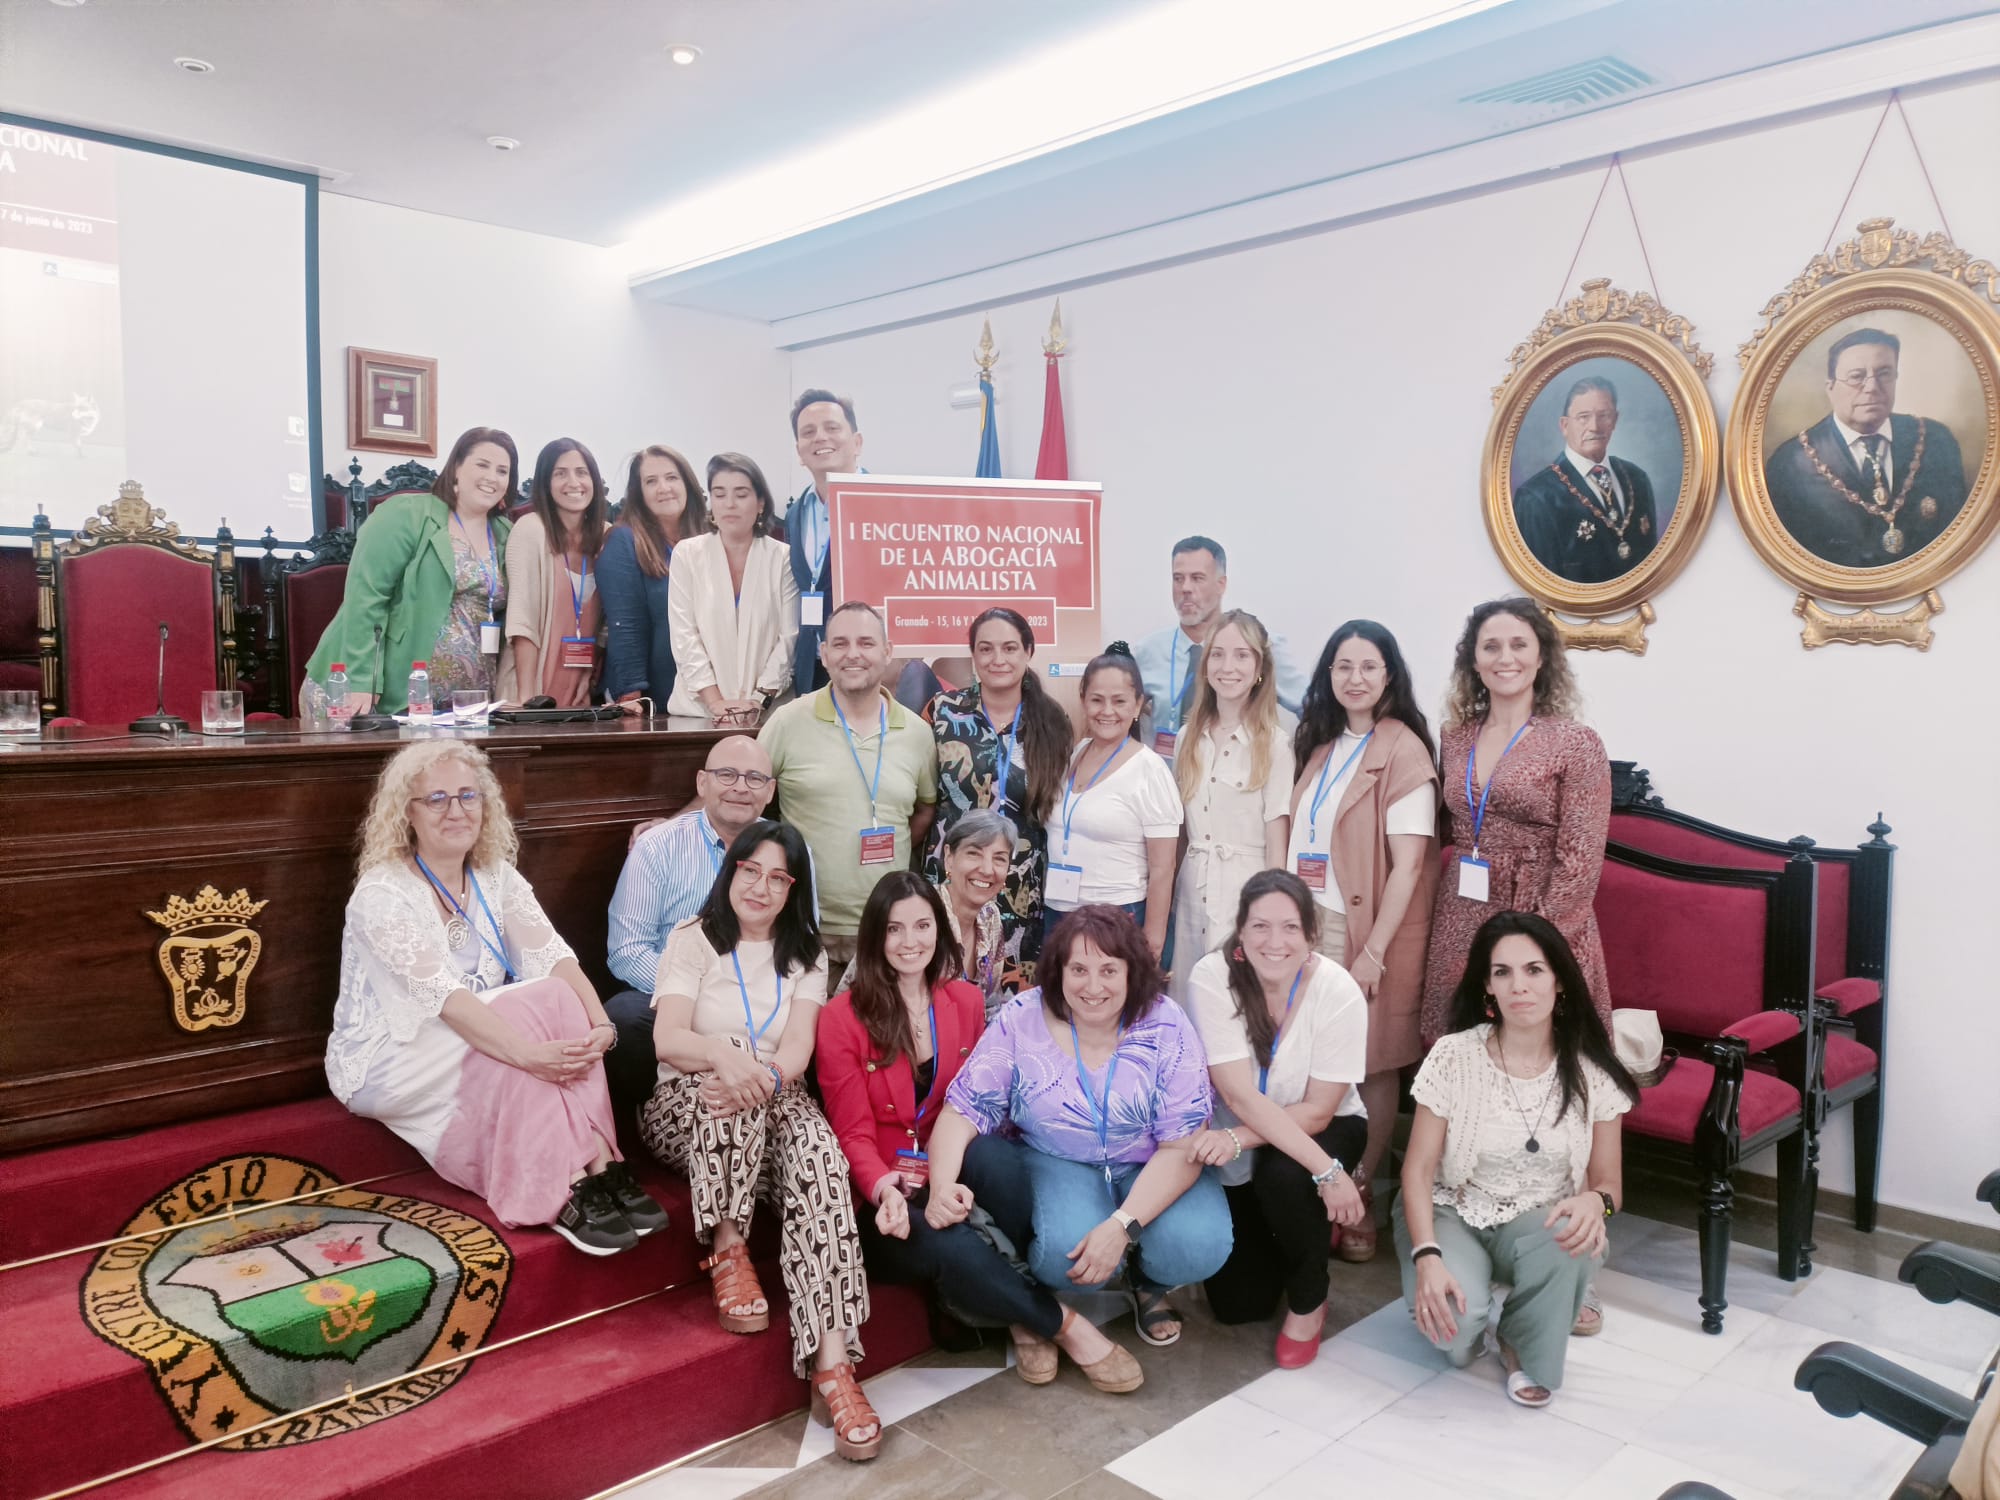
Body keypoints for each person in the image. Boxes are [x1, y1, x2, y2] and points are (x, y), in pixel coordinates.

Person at [326, 740, 667, 1254]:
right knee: (524, 1014)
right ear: (406, 813)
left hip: (477, 1031)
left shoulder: (494, 876)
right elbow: (446, 1000)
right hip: (392, 1054)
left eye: (468, 795)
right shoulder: (382, 894)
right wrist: (528, 1055)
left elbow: (553, 957)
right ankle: (561, 1188)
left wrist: (602, 1025)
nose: (456, 810)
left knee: (556, 995)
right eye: (436, 799)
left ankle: (601, 1164)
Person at [816, 873, 1139, 1388]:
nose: (910, 941)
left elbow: (977, 1104)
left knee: (999, 1161)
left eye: (922, 925)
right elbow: (851, 1133)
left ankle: (1011, 1305)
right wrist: (883, 1188)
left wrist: (947, 1182)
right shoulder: (842, 1018)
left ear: (939, 930)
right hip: (885, 1195)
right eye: (894, 928)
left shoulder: (963, 1001)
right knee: (955, 1243)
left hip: (945, 1159)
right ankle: (1059, 1325)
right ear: (875, 936)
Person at [639, 819, 881, 1462]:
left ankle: (833, 1365)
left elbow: (797, 1048)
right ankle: (728, 1246)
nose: (761, 887)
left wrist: (765, 1076)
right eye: (751, 871)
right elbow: (668, 1040)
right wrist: (729, 1057)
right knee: (732, 1070)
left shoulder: (806, 952)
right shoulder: (693, 939)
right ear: (732, 871)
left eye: (779, 878)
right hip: (687, 1103)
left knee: (822, 1163)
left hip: (777, 1095)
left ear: (793, 889)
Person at [923, 905, 1229, 1353]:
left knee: (1200, 1245)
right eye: (1079, 969)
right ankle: (1104, 1261)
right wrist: (940, 1187)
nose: (1093, 986)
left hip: (1155, 1160)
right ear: (1058, 970)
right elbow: (963, 1109)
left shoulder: (1166, 1023)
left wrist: (1121, 1226)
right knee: (1061, 1258)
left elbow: (1182, 1143)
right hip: (1058, 1158)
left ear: (1132, 971)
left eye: (1109, 970)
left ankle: (1148, 1283)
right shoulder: (1023, 1017)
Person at [1399, 911, 1637, 1407]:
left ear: (1560, 981)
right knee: (1454, 1338)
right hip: (1451, 1209)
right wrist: (1427, 1257)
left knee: (1576, 1235)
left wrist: (1596, 1202)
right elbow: (1417, 1171)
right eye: (1502, 972)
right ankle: (1495, 1296)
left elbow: (1609, 1185)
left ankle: (1519, 1339)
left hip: (1537, 1221)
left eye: (1534, 970)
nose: (1518, 986)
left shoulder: (1593, 1071)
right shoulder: (1453, 1055)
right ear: (1487, 985)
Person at [1285, 619, 1440, 1261]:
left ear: (1389, 675)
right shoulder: (1320, 743)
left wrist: (1373, 952)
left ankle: (1361, 1191)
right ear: (1328, 675)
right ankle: (1313, 1180)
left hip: (1366, 928)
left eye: (1368, 666)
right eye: (1343, 666)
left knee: (1372, 1059)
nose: (1355, 678)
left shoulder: (1404, 750)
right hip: (1306, 924)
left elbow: (1409, 866)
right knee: (1313, 1055)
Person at [1185, 872, 1368, 1365]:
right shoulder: (1212, 976)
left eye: (1290, 927)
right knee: (1238, 1305)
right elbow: (1238, 1094)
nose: (1275, 942)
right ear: (1241, 931)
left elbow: (1320, 1110)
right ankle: (1305, 1224)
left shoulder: (1338, 991)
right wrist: (1243, 1140)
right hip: (1240, 1130)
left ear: (1311, 934)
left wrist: (1327, 1172)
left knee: (1284, 1177)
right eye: (1260, 926)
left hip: (1323, 1127)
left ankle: (1310, 1298)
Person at [1421, 598, 1610, 1050]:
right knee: (1460, 1043)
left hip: (1540, 911)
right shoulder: (1455, 736)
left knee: (1537, 1046)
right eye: (1491, 646)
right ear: (1473, 661)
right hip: (1462, 909)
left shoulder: (1576, 743)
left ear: (1541, 657)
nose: (1505, 657)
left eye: (1519, 645)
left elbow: (1580, 863)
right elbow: (1445, 822)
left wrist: (1537, 942)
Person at [602, 733, 778, 1113]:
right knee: (623, 1016)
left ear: (770, 791)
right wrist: (696, 996)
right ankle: (656, 1114)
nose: (740, 788)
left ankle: (759, 1100)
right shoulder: (657, 846)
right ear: (702, 783)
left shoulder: (791, 852)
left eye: (754, 778)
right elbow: (627, 951)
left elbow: (801, 940)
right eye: (727, 774)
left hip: (760, 996)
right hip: (675, 998)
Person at [759, 601, 938, 968]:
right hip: (805, 929)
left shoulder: (918, 734)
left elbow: (924, 810)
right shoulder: (787, 722)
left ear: (887, 652)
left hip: (886, 932)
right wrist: (671, 823)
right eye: (840, 644)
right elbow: (745, 792)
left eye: (866, 643)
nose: (853, 654)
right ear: (824, 655)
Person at [308, 426, 519, 714]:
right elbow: (366, 598)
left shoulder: (507, 533)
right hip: (376, 694)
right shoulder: (405, 514)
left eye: (502, 471)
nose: (492, 477)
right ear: (456, 468)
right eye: (482, 465)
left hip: (464, 705)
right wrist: (360, 680)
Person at [921, 607, 1070, 990]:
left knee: (1011, 1003)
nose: (997, 659)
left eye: (1009, 648)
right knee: (945, 992)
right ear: (973, 654)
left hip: (1021, 891)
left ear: (1028, 652)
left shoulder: (1053, 723)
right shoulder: (942, 713)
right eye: (986, 649)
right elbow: (921, 797)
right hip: (952, 883)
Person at [1763, 326, 1971, 566]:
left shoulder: (1936, 440)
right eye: (1856, 376)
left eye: (1884, 373)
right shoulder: (1791, 463)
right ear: (1830, 387)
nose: (1872, 387)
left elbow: (1957, 537)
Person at [1169, 609, 1293, 992]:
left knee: (1236, 1001)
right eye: (1218, 655)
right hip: (1192, 893)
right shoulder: (1187, 738)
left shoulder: (1275, 744)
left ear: (1259, 669)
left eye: (1242, 655)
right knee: (1189, 997)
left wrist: (1270, 913)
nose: (1228, 667)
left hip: (1245, 893)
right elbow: (1180, 833)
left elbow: (1277, 842)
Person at [1043, 646, 1182, 959]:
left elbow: (1163, 868)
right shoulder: (1076, 753)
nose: (1107, 711)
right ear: (1083, 701)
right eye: (1097, 700)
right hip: (1060, 911)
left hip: (1117, 916)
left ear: (1138, 705)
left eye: (1119, 701)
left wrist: (1153, 941)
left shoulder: (1149, 769)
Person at [666, 452, 799, 721]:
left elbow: (790, 637)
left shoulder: (783, 557)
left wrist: (758, 700)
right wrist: (715, 702)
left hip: (769, 713)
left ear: (760, 503)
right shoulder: (687, 554)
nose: (729, 504)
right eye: (719, 494)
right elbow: (684, 636)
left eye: (741, 494)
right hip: (699, 712)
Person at [1132, 537, 1308, 737]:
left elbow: (1313, 707)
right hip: (1167, 756)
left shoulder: (1260, 644)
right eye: (1178, 578)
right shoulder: (1148, 651)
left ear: (1221, 584)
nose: (1185, 588)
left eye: (1197, 578)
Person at [1510, 376, 1662, 584]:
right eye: (1583, 417)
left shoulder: (1637, 479)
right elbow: (1542, 586)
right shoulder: (1536, 498)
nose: (1595, 427)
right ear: (1565, 426)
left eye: (1604, 415)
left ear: (1615, 420)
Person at [602, 444, 707, 713]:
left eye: (672, 477)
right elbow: (625, 624)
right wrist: (630, 692)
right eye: (651, 481)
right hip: (658, 696)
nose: (663, 488)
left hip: (712, 690)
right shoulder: (624, 541)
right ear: (639, 493)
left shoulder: (709, 539)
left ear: (687, 484)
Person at [505, 438, 609, 707]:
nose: (573, 482)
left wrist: (589, 674)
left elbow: (608, 623)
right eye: (560, 473)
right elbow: (522, 618)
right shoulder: (530, 529)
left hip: (582, 691)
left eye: (581, 472)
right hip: (531, 685)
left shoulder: (608, 535)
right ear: (546, 483)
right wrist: (527, 698)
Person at [787, 389, 865, 696]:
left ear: (857, 442)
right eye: (808, 432)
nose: (820, 437)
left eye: (831, 428)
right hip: (814, 665)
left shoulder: (885, 502)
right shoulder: (794, 514)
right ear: (799, 451)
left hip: (867, 668)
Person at [934, 810, 1014, 1016]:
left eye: (999, 859)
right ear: (949, 857)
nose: (987, 870)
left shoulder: (990, 916)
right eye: (974, 854)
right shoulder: (921, 913)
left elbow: (990, 1003)